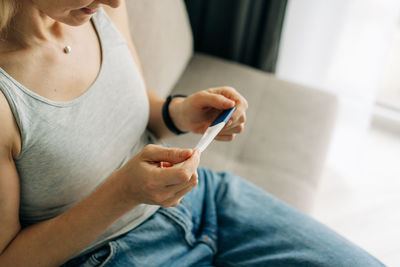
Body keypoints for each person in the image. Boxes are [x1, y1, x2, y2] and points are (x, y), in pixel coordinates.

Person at [0, 0, 385, 266]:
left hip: (207, 201)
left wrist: (180, 112)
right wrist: (124, 192)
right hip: (110, 254)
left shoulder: (91, 12)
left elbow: (130, 106)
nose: (116, 2)